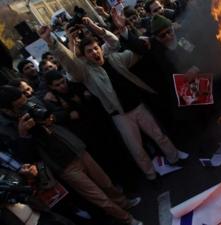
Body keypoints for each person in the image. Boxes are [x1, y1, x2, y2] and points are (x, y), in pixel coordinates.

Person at [38, 23, 185, 181]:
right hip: (120, 116)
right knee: (137, 149)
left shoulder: (115, 58)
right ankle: (151, 175)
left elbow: (129, 47)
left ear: (100, 48)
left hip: (137, 106)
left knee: (159, 135)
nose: (94, 52)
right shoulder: (85, 73)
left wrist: (142, 39)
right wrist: (51, 41)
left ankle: (175, 157)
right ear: (85, 56)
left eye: (96, 48)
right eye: (89, 51)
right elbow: (69, 62)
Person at [0, 86, 142, 225]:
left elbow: (64, 112)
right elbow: (25, 157)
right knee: (99, 197)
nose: (26, 106)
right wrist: (23, 135)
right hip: (62, 165)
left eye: (26, 101)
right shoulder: (6, 130)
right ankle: (127, 219)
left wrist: (51, 118)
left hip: (75, 148)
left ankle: (124, 203)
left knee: (106, 183)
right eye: (20, 106)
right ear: (7, 110)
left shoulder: (35, 102)